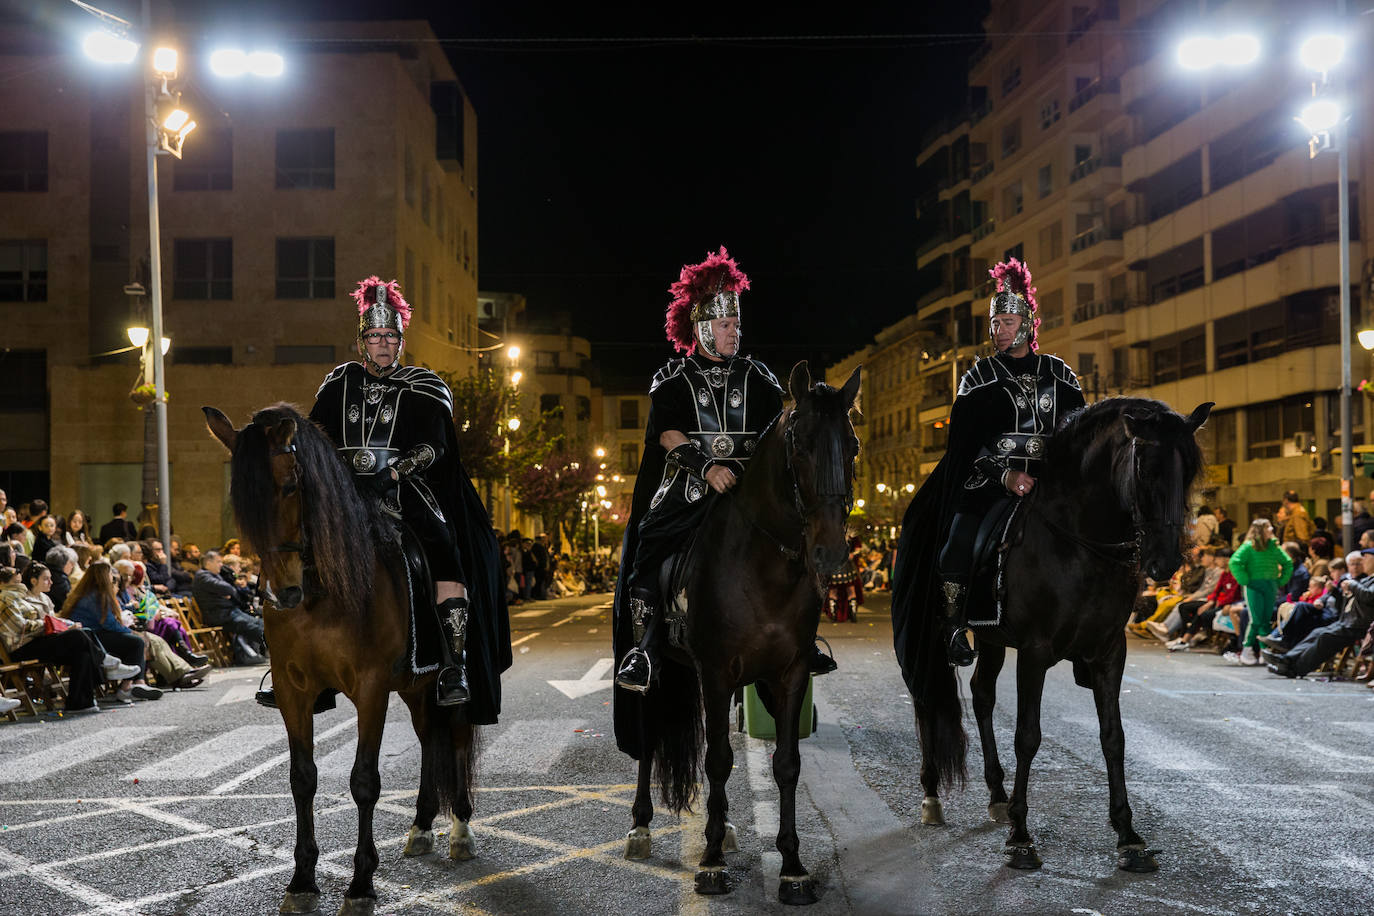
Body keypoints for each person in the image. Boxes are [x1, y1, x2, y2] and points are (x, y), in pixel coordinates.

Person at [257, 275, 508, 713]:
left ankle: (453, 662)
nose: (382, 343)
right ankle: (291, 663)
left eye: (390, 335)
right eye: (374, 336)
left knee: (443, 548)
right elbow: (317, 437)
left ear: (401, 341)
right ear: (361, 344)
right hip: (344, 494)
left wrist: (393, 474)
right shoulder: (338, 383)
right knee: (293, 544)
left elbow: (436, 446)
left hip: (404, 491)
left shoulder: (426, 386)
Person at [613, 247, 829, 693]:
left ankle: (804, 639)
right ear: (703, 328)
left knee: (800, 540)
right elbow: (668, 436)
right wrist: (707, 467)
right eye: (727, 326)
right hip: (689, 489)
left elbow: (778, 435)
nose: (735, 333)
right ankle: (642, 649)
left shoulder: (760, 378)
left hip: (750, 494)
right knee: (648, 547)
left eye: (737, 325)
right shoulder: (672, 378)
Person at [895, 258, 1085, 666]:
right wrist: (1005, 474)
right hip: (988, 484)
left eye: (1009, 322)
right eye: (995, 323)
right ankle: (952, 630)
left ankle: (1092, 633)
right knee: (957, 541)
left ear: (1029, 323)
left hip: (1050, 485)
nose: (1000, 331)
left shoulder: (1062, 376)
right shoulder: (978, 378)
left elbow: (1078, 437)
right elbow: (964, 447)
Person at [2, 561, 140, 713]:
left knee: (83, 649)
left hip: (40, 640)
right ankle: (105, 662)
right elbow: (21, 628)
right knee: (78, 636)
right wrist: (50, 625)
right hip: (23, 646)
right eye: (17, 582)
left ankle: (80, 703)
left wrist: (63, 625)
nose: (21, 584)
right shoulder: (7, 598)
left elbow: (50, 621)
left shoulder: (25, 597)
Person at [61, 561, 163, 701]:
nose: (113, 577)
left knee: (135, 641)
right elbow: (109, 623)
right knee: (136, 642)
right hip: (93, 637)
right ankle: (129, 686)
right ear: (103, 576)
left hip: (88, 635)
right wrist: (127, 631)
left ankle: (134, 684)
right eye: (110, 573)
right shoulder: (97, 596)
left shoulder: (85, 592)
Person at [1225, 518, 1293, 666]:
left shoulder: (1274, 546)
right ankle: (1248, 649)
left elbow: (1287, 563)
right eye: (1268, 527)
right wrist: (1245, 580)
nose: (1272, 530)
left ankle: (1260, 651)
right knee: (1257, 619)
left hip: (1269, 586)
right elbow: (1234, 562)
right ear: (1260, 530)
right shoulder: (1248, 547)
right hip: (1253, 586)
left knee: (1264, 619)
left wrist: (1280, 581)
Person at [194, 550, 267, 665]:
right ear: (208, 563)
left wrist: (230, 591)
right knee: (253, 627)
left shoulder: (214, 576)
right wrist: (230, 590)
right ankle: (275, 647)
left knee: (261, 623)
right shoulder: (202, 576)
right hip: (220, 615)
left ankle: (268, 649)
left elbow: (230, 590)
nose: (221, 565)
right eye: (218, 562)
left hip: (230, 611)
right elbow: (228, 589)